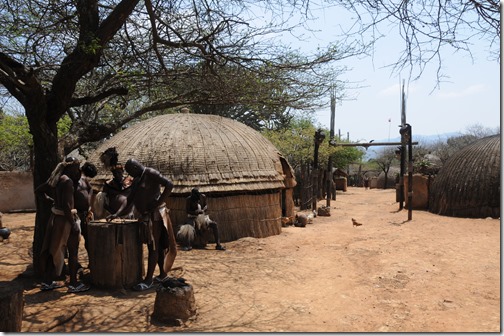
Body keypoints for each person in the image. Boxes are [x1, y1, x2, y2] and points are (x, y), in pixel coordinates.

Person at [106, 159, 177, 291]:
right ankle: (162, 274)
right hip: (147, 216)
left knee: (154, 246)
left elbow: (169, 184)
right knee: (157, 245)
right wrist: (117, 213)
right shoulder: (138, 179)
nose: (130, 175)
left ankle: (149, 279)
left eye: (130, 171)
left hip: (156, 215)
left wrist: (158, 202)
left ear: (134, 167)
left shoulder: (150, 173)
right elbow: (129, 199)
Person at [38, 157, 90, 293]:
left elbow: (39, 190)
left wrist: (52, 202)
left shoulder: (58, 179)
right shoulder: (67, 182)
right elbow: (67, 206)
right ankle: (73, 283)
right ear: (70, 167)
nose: (78, 170)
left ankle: (47, 282)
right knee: (73, 251)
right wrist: (73, 224)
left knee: (53, 250)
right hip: (65, 219)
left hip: (56, 218)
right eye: (77, 167)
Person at [74, 161, 98, 258]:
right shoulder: (72, 181)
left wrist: (89, 204)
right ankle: (75, 263)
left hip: (86, 214)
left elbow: (91, 189)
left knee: (89, 239)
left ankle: (92, 261)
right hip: (76, 215)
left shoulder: (85, 180)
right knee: (75, 240)